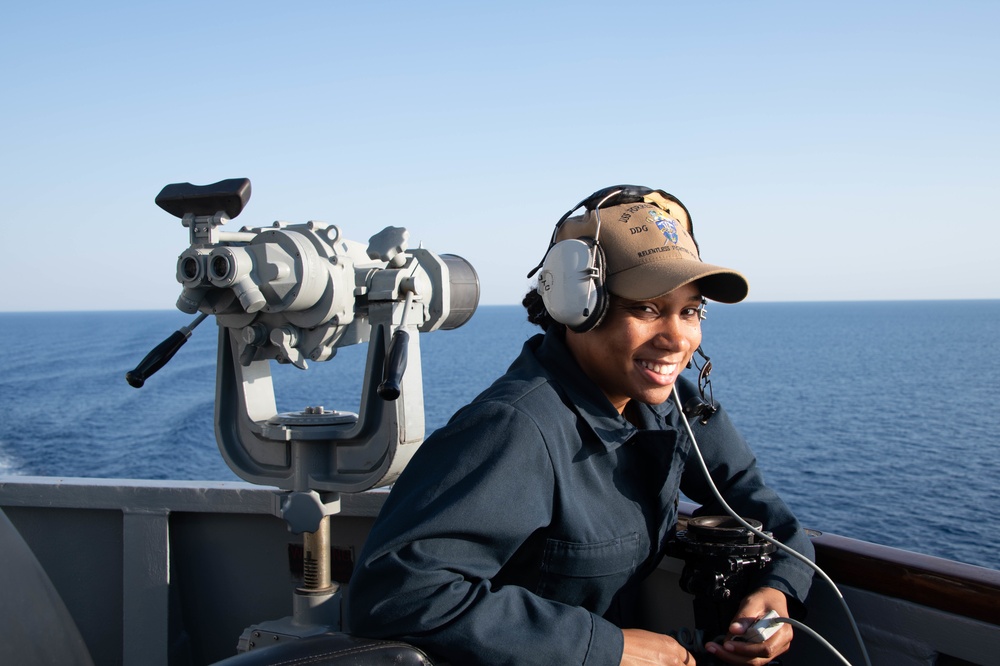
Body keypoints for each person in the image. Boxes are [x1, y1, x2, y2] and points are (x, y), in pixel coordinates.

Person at [346, 185, 815, 665]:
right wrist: (606, 648)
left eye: (690, 311)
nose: (678, 338)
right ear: (578, 307)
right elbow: (396, 594)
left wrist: (775, 592)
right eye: (647, 308)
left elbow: (761, 509)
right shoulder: (514, 428)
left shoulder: (673, 404)